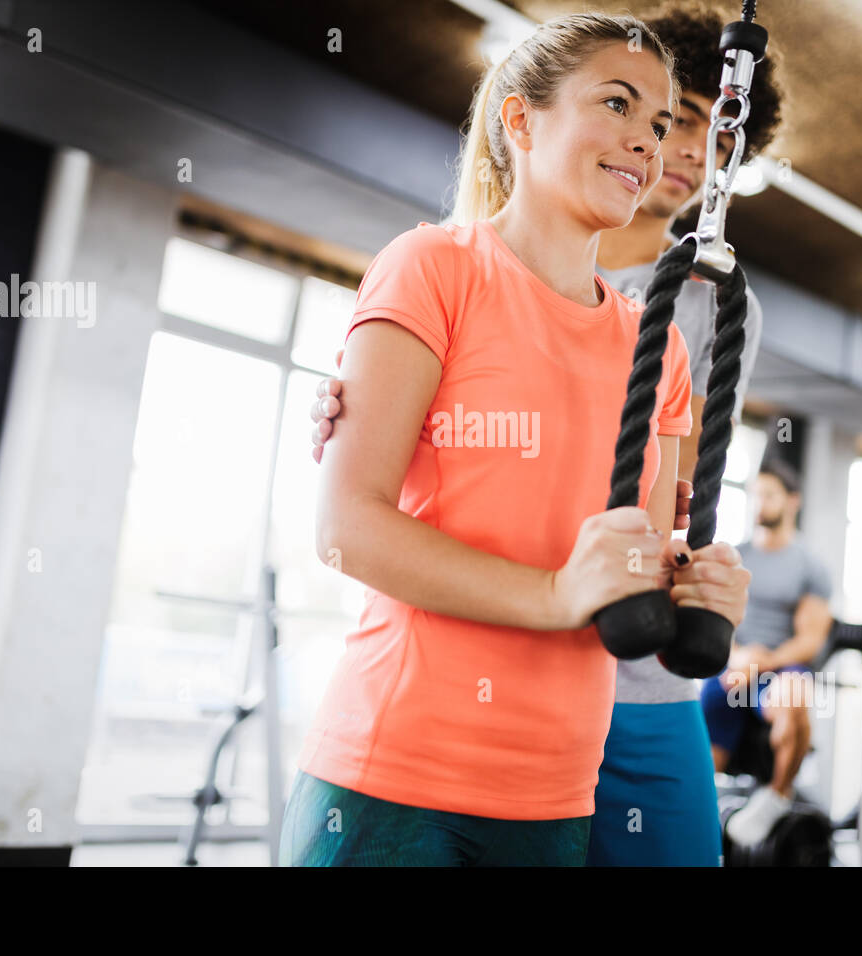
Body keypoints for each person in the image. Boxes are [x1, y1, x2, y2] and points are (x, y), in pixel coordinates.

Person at [308, 3, 783, 866]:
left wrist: (699, 589)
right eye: (618, 106)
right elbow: (347, 528)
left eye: (662, 121)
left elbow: (655, 540)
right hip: (406, 767)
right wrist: (559, 592)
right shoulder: (435, 265)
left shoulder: (669, 335)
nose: (651, 141)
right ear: (521, 119)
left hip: (557, 784)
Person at [701, 458, 834, 847]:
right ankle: (706, 812)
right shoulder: (735, 555)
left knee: (795, 696)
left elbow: (810, 640)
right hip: (733, 665)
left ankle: (777, 797)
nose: (760, 503)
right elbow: (715, 618)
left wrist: (761, 660)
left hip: (780, 669)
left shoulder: (810, 565)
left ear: (793, 501)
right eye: (756, 494)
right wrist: (738, 657)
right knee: (690, 713)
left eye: (770, 495)